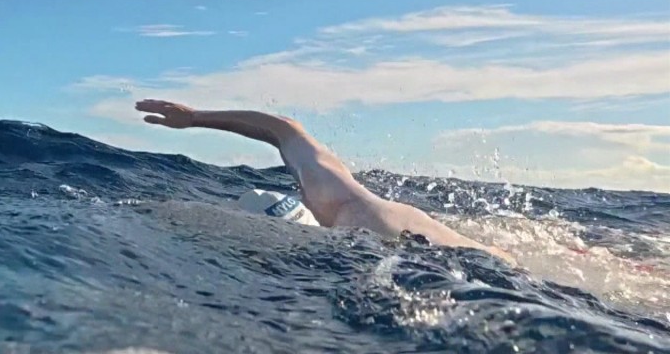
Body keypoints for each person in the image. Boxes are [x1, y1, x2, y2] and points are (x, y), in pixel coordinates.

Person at [135, 99, 514, 263]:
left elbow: (282, 129)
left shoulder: (339, 207)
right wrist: (196, 117)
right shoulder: (342, 194)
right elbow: (281, 129)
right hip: (496, 263)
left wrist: (195, 118)